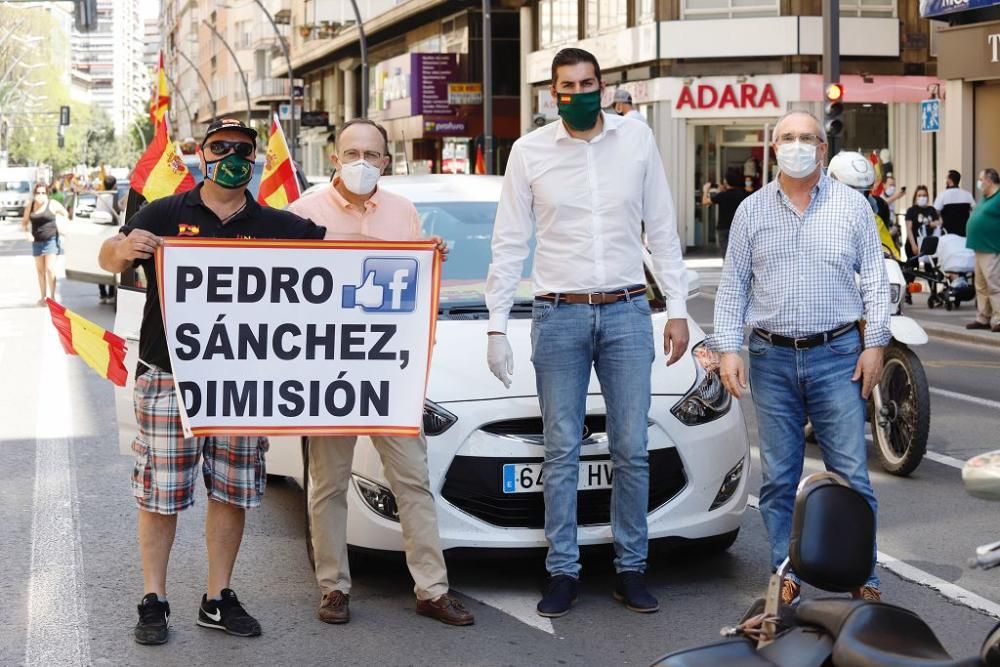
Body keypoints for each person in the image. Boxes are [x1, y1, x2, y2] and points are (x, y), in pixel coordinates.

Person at [97, 118, 328, 646]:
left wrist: (421, 255)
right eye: (221, 147)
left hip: (239, 384)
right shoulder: (165, 213)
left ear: (256, 160)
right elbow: (109, 256)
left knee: (232, 492)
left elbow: (343, 257)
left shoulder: (276, 223)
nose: (233, 156)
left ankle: (217, 598)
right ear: (202, 155)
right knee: (160, 495)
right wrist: (125, 248)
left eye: (243, 149)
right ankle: (153, 600)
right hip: (167, 379)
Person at [485, 47, 689, 618]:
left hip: (627, 311)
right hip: (558, 315)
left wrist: (676, 306)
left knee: (631, 448)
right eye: (567, 86)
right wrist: (496, 324)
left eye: (588, 83)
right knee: (561, 451)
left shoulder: (637, 140)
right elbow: (508, 243)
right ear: (553, 94)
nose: (578, 93)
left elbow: (663, 228)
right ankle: (563, 571)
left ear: (603, 85)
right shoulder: (529, 152)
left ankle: (631, 567)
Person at [286, 118, 473, 627]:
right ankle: (333, 588)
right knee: (327, 484)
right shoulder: (302, 213)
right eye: (352, 153)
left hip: (392, 374)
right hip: (329, 373)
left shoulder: (403, 213)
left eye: (371, 154)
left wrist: (431, 260)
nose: (361, 163)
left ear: (386, 162)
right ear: (335, 158)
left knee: (413, 481)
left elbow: (412, 293)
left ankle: (432, 590)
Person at [710, 110, 890, 606]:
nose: (797, 145)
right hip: (771, 358)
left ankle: (864, 575)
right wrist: (730, 348)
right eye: (787, 137)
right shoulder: (751, 211)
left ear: (823, 149)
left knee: (853, 476)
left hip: (838, 356)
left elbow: (875, 281)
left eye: (807, 137)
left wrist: (875, 343)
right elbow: (733, 288)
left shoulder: (853, 208)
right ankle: (784, 573)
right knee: (779, 478)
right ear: (774, 149)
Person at [22, 182, 69, 306]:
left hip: (51, 240)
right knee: (40, 271)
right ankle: (43, 297)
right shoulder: (31, 206)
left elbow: (65, 213)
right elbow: (24, 223)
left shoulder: (52, 204)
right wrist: (27, 233)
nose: (41, 195)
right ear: (34, 194)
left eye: (43, 192)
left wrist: (61, 225)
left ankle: (52, 297)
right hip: (37, 242)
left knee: (49, 269)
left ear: (47, 194)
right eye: (38, 193)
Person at [964, 168, 1000, 333]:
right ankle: (983, 317)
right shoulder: (985, 197)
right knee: (981, 285)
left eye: (981, 179)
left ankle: (998, 318)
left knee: (994, 285)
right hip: (979, 247)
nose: (979, 183)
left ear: (989, 180)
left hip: (991, 247)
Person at [701, 167, 749, 259]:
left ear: (726, 181)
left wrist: (706, 190)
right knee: (739, 253)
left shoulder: (723, 195)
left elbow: (705, 202)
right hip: (739, 227)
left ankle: (728, 270)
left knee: (726, 254)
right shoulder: (743, 194)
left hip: (724, 228)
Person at [96, 174, 120, 304]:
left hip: (100, 231)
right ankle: (109, 294)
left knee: (102, 262)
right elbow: (117, 212)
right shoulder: (112, 196)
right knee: (112, 262)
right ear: (114, 184)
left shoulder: (100, 196)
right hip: (110, 231)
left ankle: (103, 293)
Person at [934, 169, 977, 236]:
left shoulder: (942, 195)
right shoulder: (967, 194)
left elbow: (936, 211)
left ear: (949, 180)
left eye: (946, 178)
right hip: (964, 233)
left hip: (947, 234)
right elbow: (975, 210)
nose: (945, 180)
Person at [904, 185, 941, 258]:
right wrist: (913, 245)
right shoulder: (911, 210)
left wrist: (934, 223)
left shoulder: (931, 209)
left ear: (927, 197)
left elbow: (938, 222)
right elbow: (909, 229)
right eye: (919, 195)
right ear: (915, 197)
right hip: (914, 244)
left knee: (929, 268)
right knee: (913, 268)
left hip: (928, 246)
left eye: (924, 195)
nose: (922, 197)